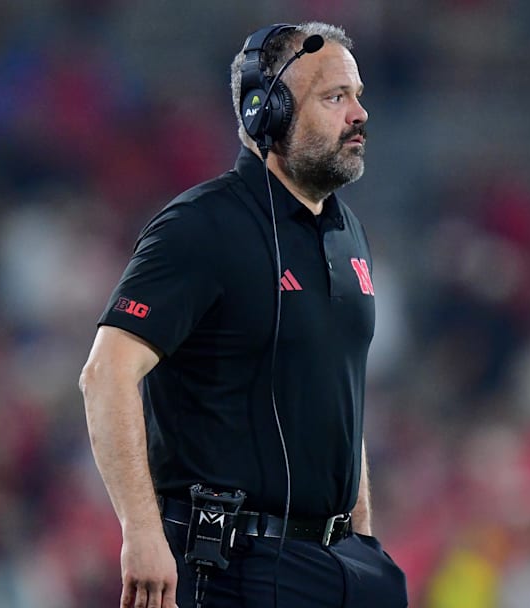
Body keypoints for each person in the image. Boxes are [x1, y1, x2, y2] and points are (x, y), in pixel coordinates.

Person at [80, 21, 408, 608]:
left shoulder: (348, 232)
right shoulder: (200, 227)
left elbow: (339, 395)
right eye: (335, 98)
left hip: (340, 568)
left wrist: (362, 537)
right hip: (234, 568)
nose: (359, 113)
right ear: (269, 112)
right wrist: (142, 534)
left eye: (358, 96)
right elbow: (106, 374)